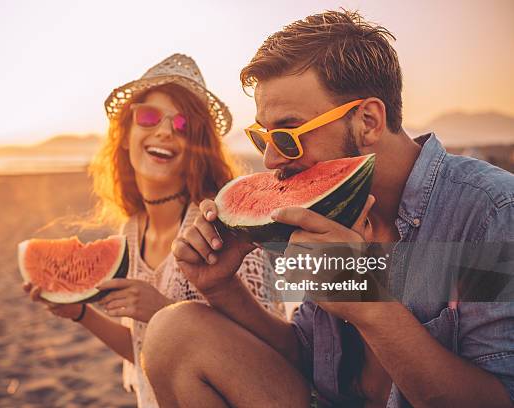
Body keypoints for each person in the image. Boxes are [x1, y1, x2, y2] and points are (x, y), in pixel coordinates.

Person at [142, 11, 514, 408]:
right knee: (173, 331)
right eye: (262, 137)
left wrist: (369, 303)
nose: (270, 160)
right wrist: (221, 287)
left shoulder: (490, 212)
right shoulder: (333, 211)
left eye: (288, 134)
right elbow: (307, 355)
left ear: (368, 121)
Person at [22, 54, 284, 407]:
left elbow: (272, 363)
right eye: (148, 117)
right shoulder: (132, 229)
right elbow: (142, 348)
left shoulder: (221, 231)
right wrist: (81, 313)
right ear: (125, 136)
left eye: (182, 125)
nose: (163, 130)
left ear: (197, 148)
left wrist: (164, 311)